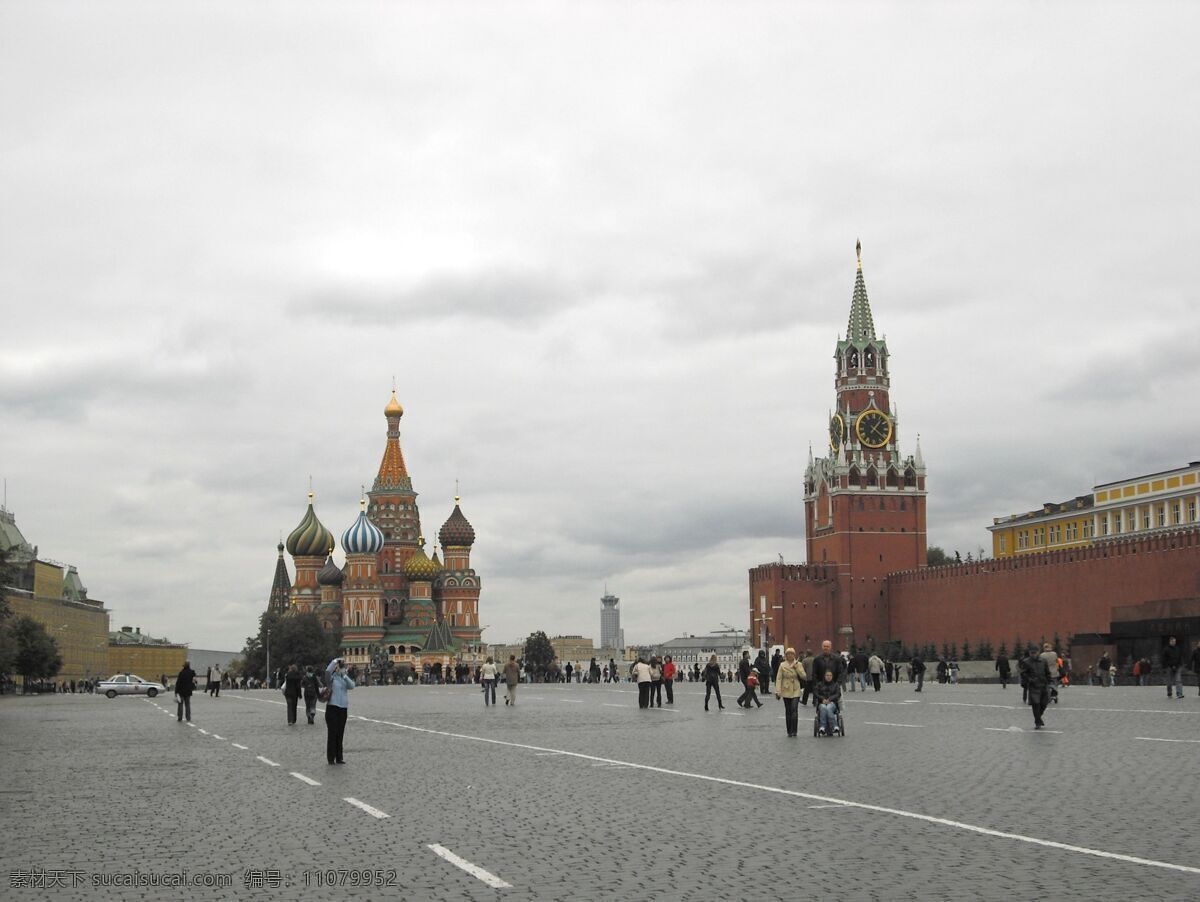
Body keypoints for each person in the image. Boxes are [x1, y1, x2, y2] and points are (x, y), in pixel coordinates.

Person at [324, 657, 355, 764]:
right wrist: (335, 661)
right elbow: (327, 671)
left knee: (340, 733)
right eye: (340, 667)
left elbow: (352, 686)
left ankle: (339, 757)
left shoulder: (344, 678)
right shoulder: (331, 678)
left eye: (343, 667)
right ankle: (331, 758)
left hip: (343, 709)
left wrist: (344, 676)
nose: (342, 668)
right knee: (332, 733)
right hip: (332, 707)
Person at [774, 648, 806, 738]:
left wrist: (797, 669)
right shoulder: (782, 665)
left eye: (791, 654)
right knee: (788, 711)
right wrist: (778, 691)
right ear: (786, 655)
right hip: (786, 688)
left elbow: (804, 676)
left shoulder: (798, 664)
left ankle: (794, 730)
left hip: (796, 688)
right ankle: (789, 731)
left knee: (794, 710)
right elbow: (779, 678)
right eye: (788, 654)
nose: (790, 656)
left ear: (794, 655)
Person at [1021, 648, 1052, 729]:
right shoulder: (1026, 662)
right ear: (1029, 653)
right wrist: (1030, 680)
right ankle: (1037, 722)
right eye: (1031, 653)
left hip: (1043, 685)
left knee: (1044, 703)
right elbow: (1023, 673)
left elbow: (1047, 672)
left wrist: (1049, 681)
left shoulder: (1043, 661)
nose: (1033, 654)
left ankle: (1038, 718)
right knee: (1036, 704)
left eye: (1035, 653)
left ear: (1038, 653)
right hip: (1033, 686)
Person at [814, 670, 842, 736]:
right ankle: (825, 727)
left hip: (832, 703)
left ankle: (828, 726)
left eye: (830, 675)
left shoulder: (836, 684)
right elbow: (816, 693)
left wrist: (830, 699)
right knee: (824, 707)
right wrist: (822, 699)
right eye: (827, 675)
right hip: (822, 703)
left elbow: (838, 694)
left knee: (829, 707)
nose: (828, 677)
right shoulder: (819, 684)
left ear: (832, 676)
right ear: (824, 676)